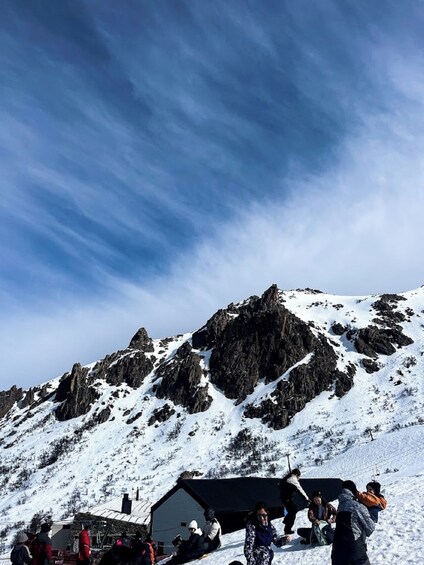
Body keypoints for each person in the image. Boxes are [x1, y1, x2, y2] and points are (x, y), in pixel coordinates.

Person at [331, 480, 375, 565]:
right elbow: (370, 527)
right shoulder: (357, 506)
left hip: (337, 553)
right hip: (355, 552)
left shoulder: (340, 507)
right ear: (353, 490)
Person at [279, 468, 310, 534]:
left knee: (293, 510)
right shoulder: (293, 479)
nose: (299, 478)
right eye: (299, 476)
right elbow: (300, 490)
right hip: (287, 499)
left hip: (284, 498)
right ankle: (287, 529)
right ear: (296, 474)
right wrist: (307, 499)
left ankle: (286, 522)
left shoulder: (287, 477)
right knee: (293, 511)